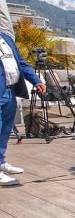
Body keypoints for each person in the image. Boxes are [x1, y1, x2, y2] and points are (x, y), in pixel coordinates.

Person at [0, 31, 46, 186]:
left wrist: (36, 80)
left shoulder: (6, 38)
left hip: (9, 90)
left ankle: (0, 161)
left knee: (5, 129)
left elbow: (21, 62)